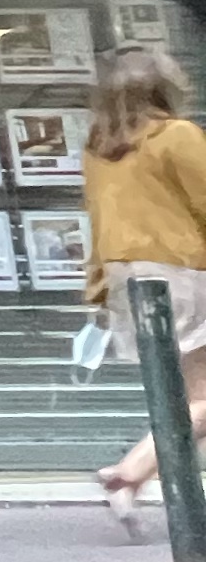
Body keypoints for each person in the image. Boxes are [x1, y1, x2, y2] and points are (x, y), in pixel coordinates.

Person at [83, 42, 206, 514]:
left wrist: (97, 285)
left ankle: (131, 482)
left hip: (127, 279)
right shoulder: (177, 135)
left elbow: (98, 219)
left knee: (181, 393)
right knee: (200, 395)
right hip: (181, 271)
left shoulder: (99, 148)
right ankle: (130, 471)